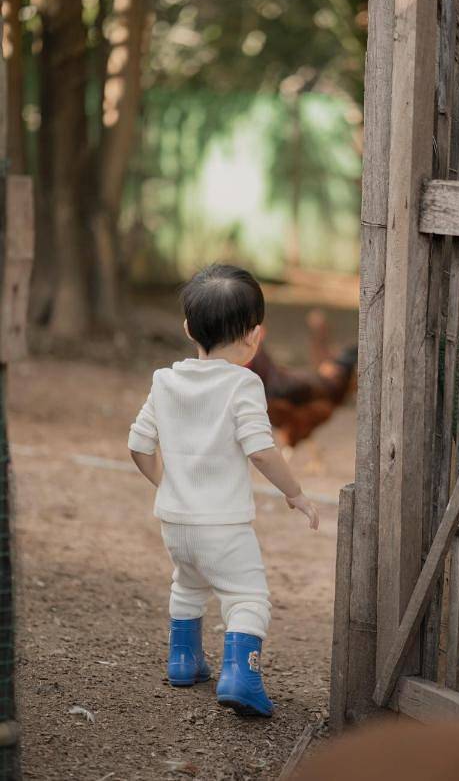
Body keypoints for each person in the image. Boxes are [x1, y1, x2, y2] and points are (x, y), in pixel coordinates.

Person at [128, 264, 319, 718]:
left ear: (188, 328)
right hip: (224, 526)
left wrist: (166, 484)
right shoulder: (243, 384)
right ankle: (240, 676)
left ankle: (183, 660)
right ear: (255, 337)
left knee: (187, 583)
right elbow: (262, 451)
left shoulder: (165, 381)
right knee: (247, 596)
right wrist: (295, 493)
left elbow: (138, 444)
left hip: (175, 525)